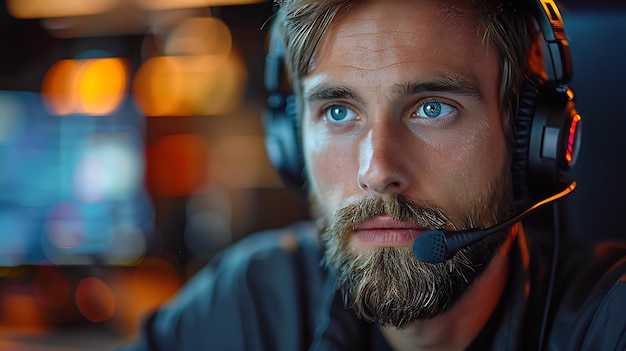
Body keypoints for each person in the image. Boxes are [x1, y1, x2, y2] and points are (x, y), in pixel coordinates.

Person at [121, 0, 626, 350]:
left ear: (530, 138)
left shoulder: (609, 319)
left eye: (432, 108)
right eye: (339, 112)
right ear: (291, 142)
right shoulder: (253, 302)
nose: (378, 171)